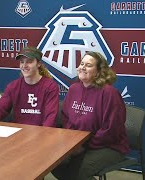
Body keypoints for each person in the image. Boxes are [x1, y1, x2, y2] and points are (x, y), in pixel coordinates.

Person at [52, 51, 130, 180]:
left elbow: (111, 130)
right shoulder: (74, 89)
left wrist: (84, 146)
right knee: (52, 162)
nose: (82, 67)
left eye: (88, 65)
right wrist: (73, 143)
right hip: (78, 144)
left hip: (108, 146)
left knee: (75, 173)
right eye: (81, 63)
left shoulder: (109, 93)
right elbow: (66, 118)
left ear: (99, 71)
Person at [0, 46, 59, 131]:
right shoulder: (13, 86)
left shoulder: (50, 87)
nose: (24, 65)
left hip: (41, 134)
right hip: (19, 134)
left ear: (38, 64)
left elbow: (50, 118)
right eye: (22, 62)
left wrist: (42, 136)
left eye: (29, 62)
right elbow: (0, 108)